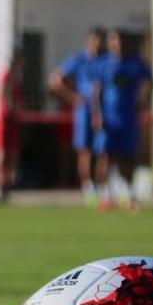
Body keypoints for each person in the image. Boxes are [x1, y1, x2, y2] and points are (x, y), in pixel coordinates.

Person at [92, 30, 151, 213]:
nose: (117, 44)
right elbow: (97, 92)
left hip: (128, 120)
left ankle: (131, 196)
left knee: (128, 159)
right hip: (109, 119)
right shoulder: (103, 64)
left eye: (120, 40)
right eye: (113, 41)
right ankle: (105, 196)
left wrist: (143, 101)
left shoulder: (137, 64)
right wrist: (97, 114)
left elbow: (148, 83)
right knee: (105, 157)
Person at [49, 27, 107, 208]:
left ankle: (103, 188)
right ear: (88, 41)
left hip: (105, 111)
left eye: (100, 40)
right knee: (85, 150)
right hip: (85, 111)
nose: (97, 44)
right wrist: (73, 97)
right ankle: (88, 190)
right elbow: (55, 79)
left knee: (104, 151)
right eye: (94, 40)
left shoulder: (107, 61)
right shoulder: (79, 60)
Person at [0, 51, 24, 203]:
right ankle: (0, 185)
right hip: (4, 120)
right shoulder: (7, 76)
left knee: (13, 152)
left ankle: (9, 183)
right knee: (2, 153)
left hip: (13, 121)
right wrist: (11, 106)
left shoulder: (18, 79)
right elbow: (4, 94)